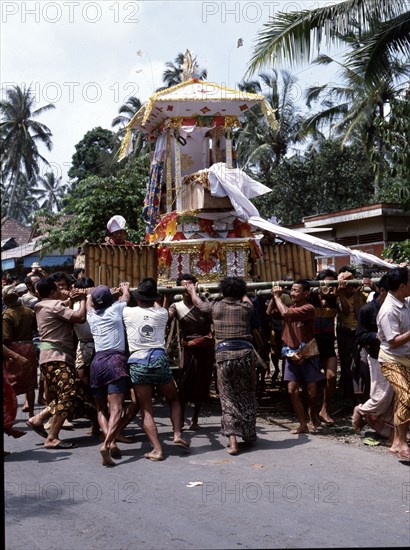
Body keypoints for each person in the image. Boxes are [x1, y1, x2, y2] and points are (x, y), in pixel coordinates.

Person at [186, 276, 258, 456]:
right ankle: (249, 435)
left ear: (223, 291)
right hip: (245, 356)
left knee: (227, 398)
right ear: (241, 291)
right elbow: (246, 298)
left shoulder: (215, 307)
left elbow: (198, 303)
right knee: (247, 394)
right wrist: (243, 292)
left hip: (224, 357)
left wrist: (193, 290)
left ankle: (233, 443)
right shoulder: (247, 307)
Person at [123, 277, 190, 461]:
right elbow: (166, 310)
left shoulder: (127, 312)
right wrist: (165, 295)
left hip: (137, 361)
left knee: (146, 409)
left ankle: (158, 450)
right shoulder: (161, 313)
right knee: (173, 398)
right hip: (158, 359)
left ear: (137, 298)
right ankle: (177, 434)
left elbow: (123, 299)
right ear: (155, 298)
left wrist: (124, 290)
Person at [26, 277, 96, 449]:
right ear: (51, 292)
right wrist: (86, 297)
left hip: (48, 358)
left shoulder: (42, 305)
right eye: (57, 288)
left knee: (73, 394)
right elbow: (79, 318)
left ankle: (38, 418)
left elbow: (63, 304)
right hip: (57, 357)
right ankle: (52, 437)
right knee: (68, 394)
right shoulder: (54, 305)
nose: (60, 290)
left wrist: (71, 298)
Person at [87, 282, 132, 466]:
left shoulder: (90, 315)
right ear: (110, 299)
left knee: (100, 409)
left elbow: (89, 302)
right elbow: (126, 298)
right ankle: (106, 444)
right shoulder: (116, 310)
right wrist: (124, 288)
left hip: (97, 362)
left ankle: (110, 440)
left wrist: (90, 294)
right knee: (116, 409)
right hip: (115, 360)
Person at [272, 279, 325, 434]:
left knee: (312, 392)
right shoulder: (289, 305)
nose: (293, 293)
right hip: (291, 353)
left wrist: (276, 297)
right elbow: (270, 312)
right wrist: (275, 295)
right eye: (292, 290)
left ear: (306, 293)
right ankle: (303, 424)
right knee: (292, 389)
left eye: (297, 290)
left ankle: (312, 412)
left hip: (307, 353)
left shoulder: (308, 308)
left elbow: (286, 313)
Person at [168, 273, 215, 430]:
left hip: (205, 350)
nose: (187, 288)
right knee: (183, 386)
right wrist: (165, 298)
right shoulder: (176, 306)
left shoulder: (204, 305)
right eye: (184, 285)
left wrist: (205, 340)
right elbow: (165, 318)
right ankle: (180, 421)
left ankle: (195, 419)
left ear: (195, 285)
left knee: (201, 385)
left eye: (190, 285)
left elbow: (215, 327)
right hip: (188, 350)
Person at [352, 275, 394, 438]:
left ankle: (388, 431)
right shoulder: (367, 310)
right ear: (382, 291)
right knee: (381, 396)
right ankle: (361, 410)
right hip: (377, 357)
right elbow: (360, 336)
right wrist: (379, 336)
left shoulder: (399, 307)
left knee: (394, 396)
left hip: (397, 356)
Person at [377, 267, 410, 461]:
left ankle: (397, 442)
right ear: (403, 286)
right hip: (391, 360)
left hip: (406, 359)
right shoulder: (388, 310)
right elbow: (393, 341)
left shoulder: (404, 301)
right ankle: (402, 442)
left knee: (402, 399)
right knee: (406, 397)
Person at [2, 285, 38, 418]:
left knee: (11, 384)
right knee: (30, 384)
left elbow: (5, 338)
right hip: (29, 347)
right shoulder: (29, 311)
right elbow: (35, 328)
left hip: (14, 350)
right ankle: (32, 413)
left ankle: (10, 415)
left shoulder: (6, 315)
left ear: (5, 300)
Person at [310, 269, 338, 423]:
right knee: (311, 382)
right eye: (327, 283)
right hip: (312, 344)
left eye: (332, 283)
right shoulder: (310, 298)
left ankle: (324, 409)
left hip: (327, 343)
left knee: (332, 376)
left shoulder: (334, 300)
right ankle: (312, 412)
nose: (329, 287)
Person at [336, 267, 367, 401]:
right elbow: (346, 312)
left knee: (361, 364)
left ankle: (360, 394)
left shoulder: (361, 295)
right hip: (345, 332)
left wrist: (355, 295)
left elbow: (359, 314)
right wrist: (342, 293)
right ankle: (349, 395)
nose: (349, 286)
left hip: (359, 332)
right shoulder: (338, 295)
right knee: (346, 364)